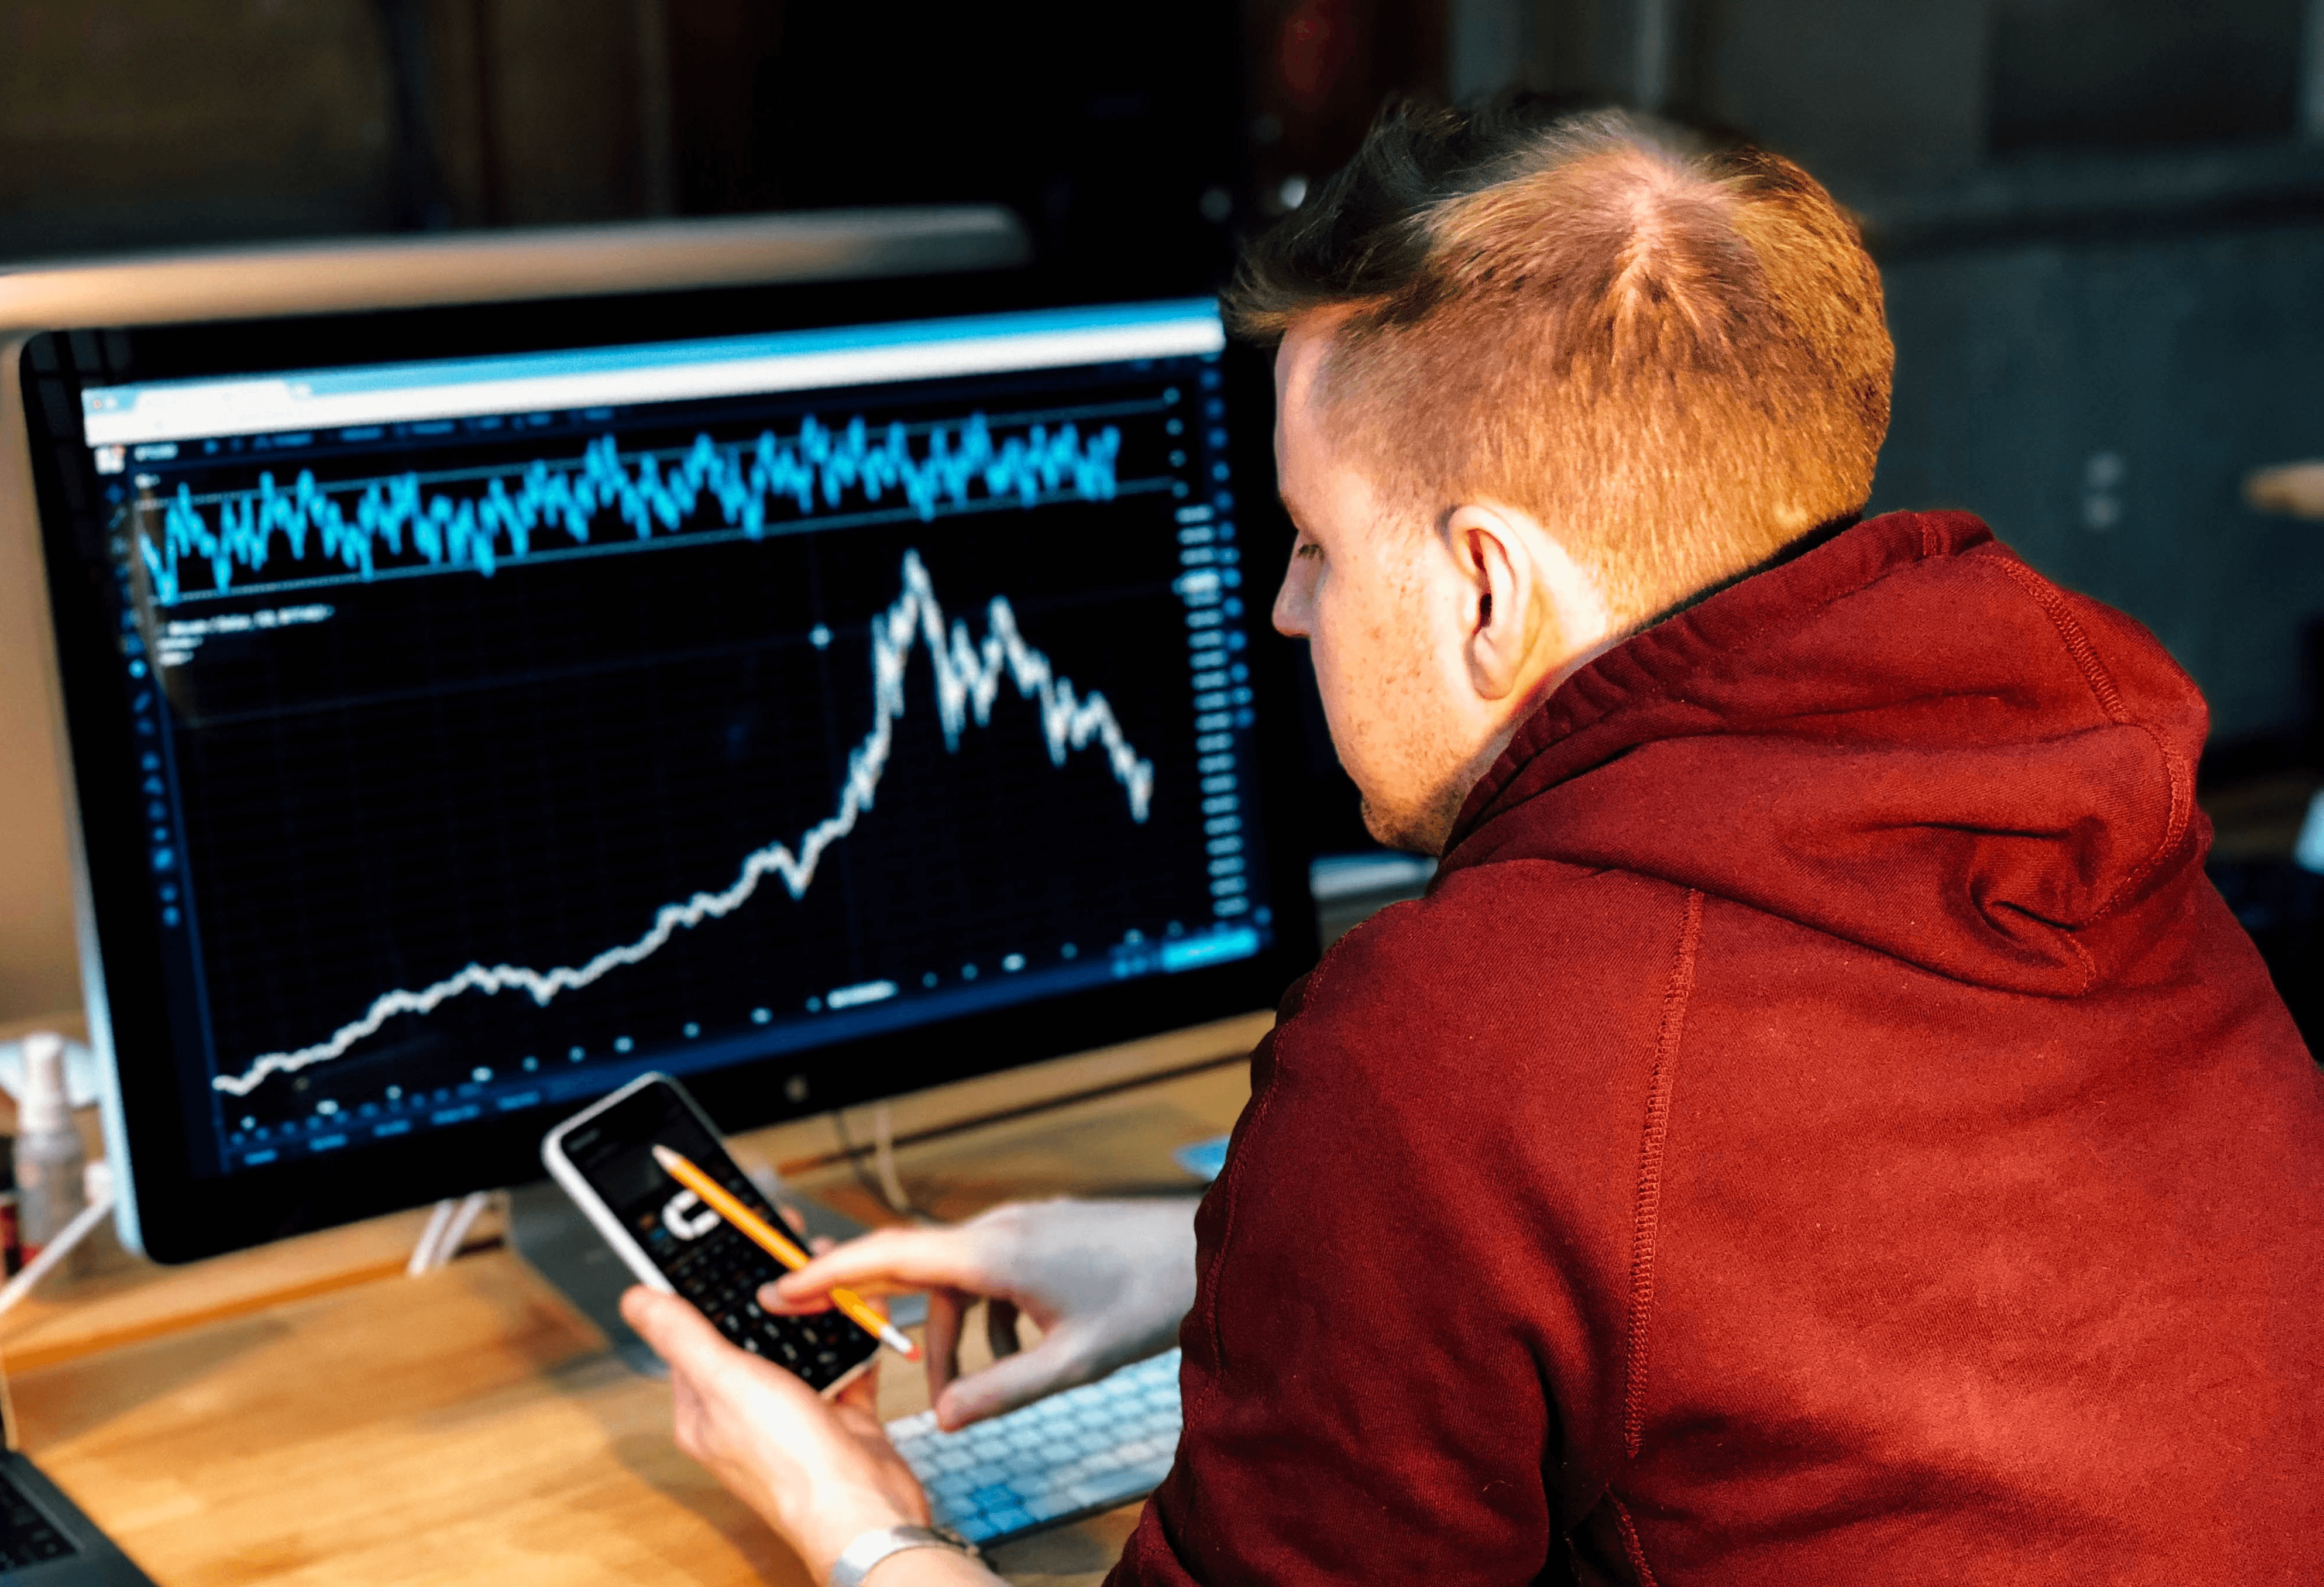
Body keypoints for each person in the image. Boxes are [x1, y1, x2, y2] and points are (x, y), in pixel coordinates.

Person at [622, 100, 2324, 1585]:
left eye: (1311, 545)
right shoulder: (2081, 809)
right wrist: (1227, 1266)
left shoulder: (1463, 1041)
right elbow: (1803, 1275)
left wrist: (861, 1524)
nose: (1286, 612)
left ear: (1488, 587)